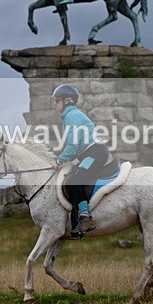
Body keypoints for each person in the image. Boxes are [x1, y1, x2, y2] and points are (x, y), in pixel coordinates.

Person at [51, 84, 111, 238]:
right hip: (90, 153)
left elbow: (72, 146)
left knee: (75, 180)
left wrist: (59, 161)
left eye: (57, 101)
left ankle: (85, 218)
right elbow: (68, 145)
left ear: (66, 101)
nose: (54, 104)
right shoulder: (69, 116)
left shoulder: (72, 116)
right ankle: (75, 223)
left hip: (95, 153)